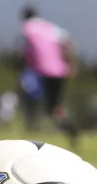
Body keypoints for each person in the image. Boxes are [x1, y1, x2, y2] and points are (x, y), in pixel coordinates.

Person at [21, 5, 80, 149]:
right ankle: (67, 125)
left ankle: (67, 126)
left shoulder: (27, 27)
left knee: (42, 104)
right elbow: (67, 42)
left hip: (41, 71)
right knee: (54, 106)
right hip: (59, 70)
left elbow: (27, 50)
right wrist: (71, 64)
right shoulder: (50, 27)